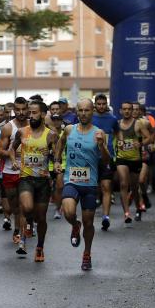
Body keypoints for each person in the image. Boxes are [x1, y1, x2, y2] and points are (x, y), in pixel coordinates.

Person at [54, 100, 109, 271]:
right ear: (76, 112)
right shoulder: (69, 129)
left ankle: (87, 253)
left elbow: (106, 161)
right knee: (69, 211)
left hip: (90, 184)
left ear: (92, 111)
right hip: (71, 179)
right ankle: (74, 225)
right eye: (80, 110)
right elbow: (60, 143)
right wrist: (57, 160)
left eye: (87, 110)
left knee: (89, 223)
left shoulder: (99, 133)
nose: (83, 113)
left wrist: (101, 146)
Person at [12, 101, 57, 261]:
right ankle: (25, 232)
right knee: (27, 206)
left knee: (41, 218)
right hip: (26, 177)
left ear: (43, 114)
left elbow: (56, 155)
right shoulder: (22, 132)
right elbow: (12, 148)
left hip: (43, 181)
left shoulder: (51, 135)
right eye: (30, 113)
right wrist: (14, 160)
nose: (31, 116)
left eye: (34, 113)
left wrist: (56, 164)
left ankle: (40, 246)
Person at [114, 101, 153, 224]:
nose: (127, 111)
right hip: (121, 158)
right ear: (120, 111)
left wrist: (141, 143)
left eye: (129, 109)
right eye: (124, 109)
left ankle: (138, 206)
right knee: (124, 184)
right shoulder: (117, 124)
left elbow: (150, 137)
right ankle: (126, 213)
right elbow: (112, 137)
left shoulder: (139, 124)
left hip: (135, 159)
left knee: (135, 187)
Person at [0, 97, 29, 243]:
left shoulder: (33, 126)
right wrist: (11, 154)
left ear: (28, 109)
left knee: (25, 205)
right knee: (15, 206)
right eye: (18, 109)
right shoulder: (8, 128)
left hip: (28, 172)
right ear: (13, 110)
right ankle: (21, 225)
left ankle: (19, 230)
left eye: (24, 109)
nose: (21, 112)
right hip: (10, 171)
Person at [92, 94, 118, 231]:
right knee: (93, 186)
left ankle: (106, 217)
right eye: (99, 104)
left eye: (103, 104)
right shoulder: (89, 118)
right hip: (90, 157)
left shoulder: (113, 119)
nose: (101, 106)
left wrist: (116, 149)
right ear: (95, 104)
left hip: (107, 157)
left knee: (107, 186)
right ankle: (90, 210)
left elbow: (118, 134)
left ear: (106, 104)